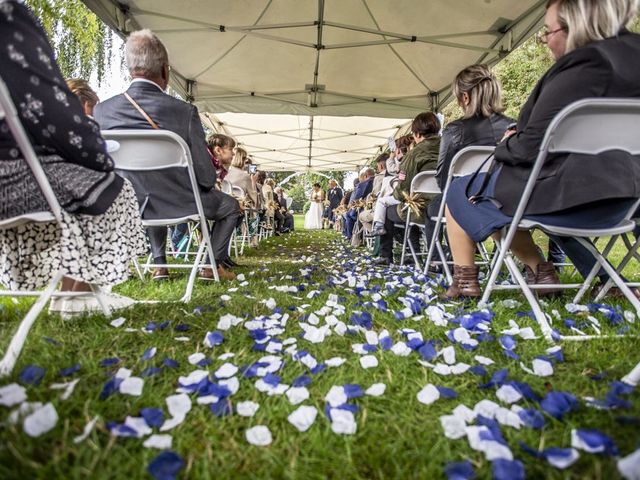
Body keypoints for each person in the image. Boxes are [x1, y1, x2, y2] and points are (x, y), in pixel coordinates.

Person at [443, 0, 640, 299]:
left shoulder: (583, 65)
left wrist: (506, 143)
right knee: (514, 195)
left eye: (548, 31)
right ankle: (600, 280)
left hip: (578, 199)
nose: (546, 40)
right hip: (631, 199)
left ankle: (469, 280)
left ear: (576, 25)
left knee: (463, 191)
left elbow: (526, 149)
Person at [0, 1, 146, 315]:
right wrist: (98, 155)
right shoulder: (6, 17)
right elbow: (55, 119)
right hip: (9, 179)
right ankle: (77, 294)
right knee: (112, 186)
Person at [94, 29, 241, 281]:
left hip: (129, 203)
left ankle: (160, 265)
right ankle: (210, 265)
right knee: (231, 206)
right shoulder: (183, 112)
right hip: (181, 201)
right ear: (165, 70)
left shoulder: (101, 112)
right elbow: (206, 178)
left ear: (130, 67)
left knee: (148, 192)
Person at [375, 112, 441, 265]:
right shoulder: (450, 148)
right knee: (411, 204)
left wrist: (396, 193)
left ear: (417, 133)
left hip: (423, 210)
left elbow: (402, 192)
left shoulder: (413, 154)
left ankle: (387, 255)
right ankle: (416, 254)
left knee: (393, 206)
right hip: (448, 207)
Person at [343, 168, 375, 239]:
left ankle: (351, 236)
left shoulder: (363, 184)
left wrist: (352, 205)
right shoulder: (378, 180)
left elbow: (356, 199)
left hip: (364, 209)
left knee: (348, 214)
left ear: (366, 176)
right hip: (375, 207)